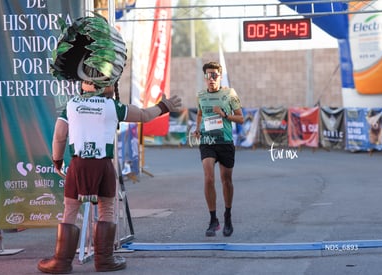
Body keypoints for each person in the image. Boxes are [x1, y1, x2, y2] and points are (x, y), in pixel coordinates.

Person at [37, 15, 182, 273]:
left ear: (84, 81)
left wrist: (57, 160)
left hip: (78, 164)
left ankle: (61, 262)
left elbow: (59, 136)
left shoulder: (70, 105)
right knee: (106, 209)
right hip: (103, 166)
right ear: (107, 81)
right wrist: (165, 106)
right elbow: (144, 116)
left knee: (70, 209)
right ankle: (104, 260)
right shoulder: (111, 106)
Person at [194, 61, 244, 237]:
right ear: (205, 77)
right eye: (208, 75)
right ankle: (213, 219)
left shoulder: (229, 94)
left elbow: (241, 118)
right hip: (207, 141)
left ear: (220, 77)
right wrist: (197, 128)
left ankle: (227, 216)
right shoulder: (201, 95)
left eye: (214, 75)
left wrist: (224, 115)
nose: (211, 78)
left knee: (226, 180)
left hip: (225, 141)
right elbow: (200, 113)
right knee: (208, 178)